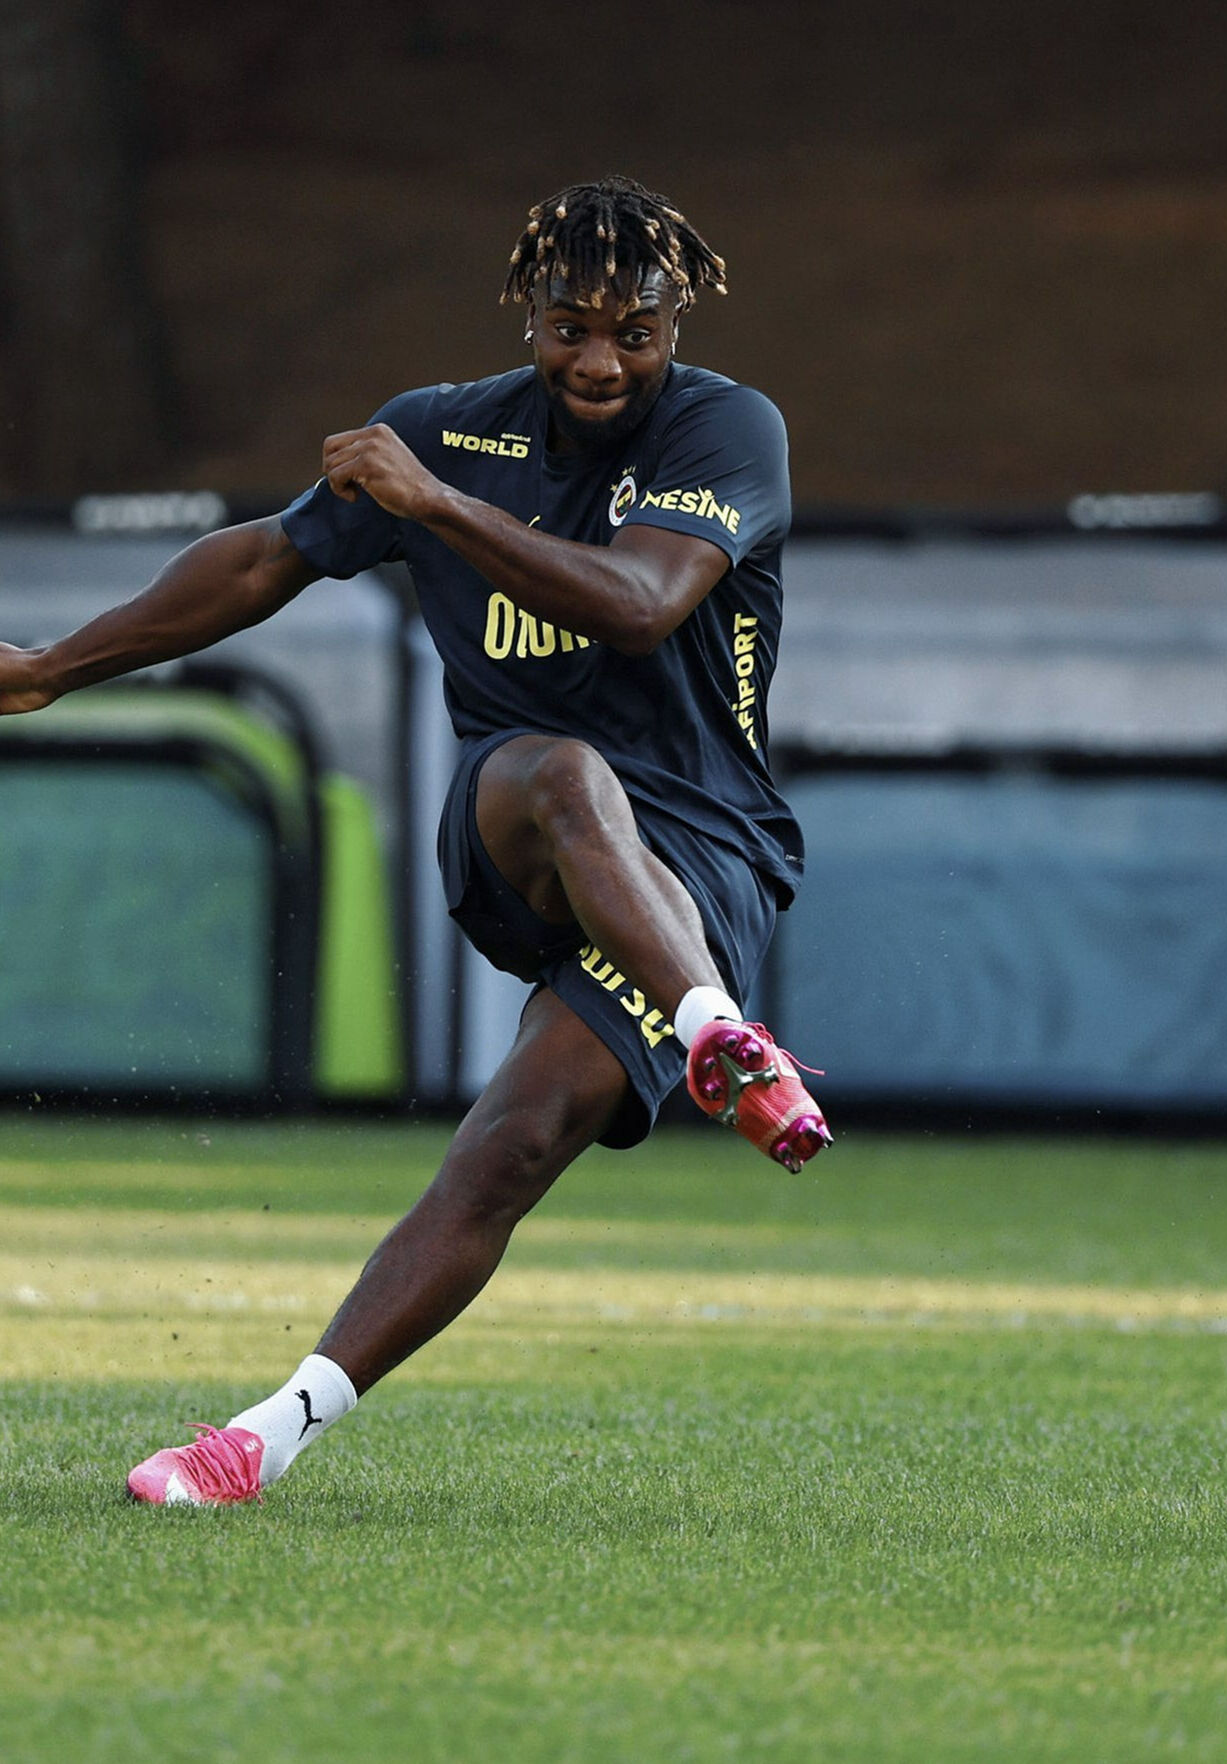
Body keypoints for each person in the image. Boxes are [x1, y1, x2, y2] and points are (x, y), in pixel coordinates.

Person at [0, 175, 831, 1506]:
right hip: (522, 818)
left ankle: (258, 1441)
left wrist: (432, 508)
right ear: (526, 318)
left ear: (681, 322)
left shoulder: (728, 431)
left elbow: (640, 602)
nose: (603, 360)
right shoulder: (443, 432)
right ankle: (726, 1038)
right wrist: (52, 666)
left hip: (699, 849)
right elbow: (269, 559)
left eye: (637, 330)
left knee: (508, 1145)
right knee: (560, 769)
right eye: (571, 326)